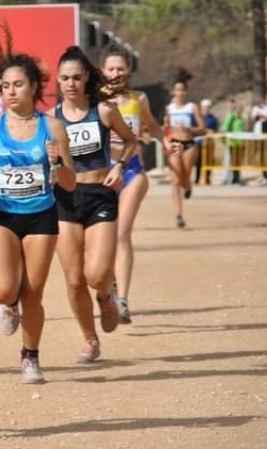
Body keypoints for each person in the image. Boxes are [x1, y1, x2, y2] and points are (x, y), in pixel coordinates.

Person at [0, 31, 76, 384]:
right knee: (3, 289)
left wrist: (58, 165)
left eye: (17, 85)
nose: (10, 92)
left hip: (42, 215)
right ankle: (6, 303)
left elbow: (71, 183)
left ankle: (30, 357)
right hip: (3, 214)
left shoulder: (53, 127)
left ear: (33, 88)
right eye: (5, 86)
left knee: (34, 293)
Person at [50, 45, 136, 363]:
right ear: (57, 81)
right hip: (66, 199)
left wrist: (120, 166)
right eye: (64, 78)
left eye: (76, 77)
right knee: (73, 279)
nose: (71, 84)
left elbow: (130, 140)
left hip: (100, 193)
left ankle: (105, 296)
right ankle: (89, 339)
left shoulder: (103, 111)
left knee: (97, 274)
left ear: (86, 77)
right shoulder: (51, 119)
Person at [99, 43, 171, 324]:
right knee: (100, 241)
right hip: (101, 175)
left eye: (121, 68)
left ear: (128, 70)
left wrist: (167, 142)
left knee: (121, 234)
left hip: (131, 171)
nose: (116, 72)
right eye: (111, 68)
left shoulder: (138, 99)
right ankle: (109, 286)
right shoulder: (94, 99)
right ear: (102, 71)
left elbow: (152, 126)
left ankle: (124, 300)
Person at [164, 69, 205, 228]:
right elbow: (166, 127)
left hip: (189, 145)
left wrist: (190, 130)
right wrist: (166, 133)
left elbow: (202, 128)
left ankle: (188, 186)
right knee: (175, 178)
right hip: (175, 143)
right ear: (173, 91)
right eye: (177, 90)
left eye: (182, 90)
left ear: (186, 91)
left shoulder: (191, 107)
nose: (179, 92)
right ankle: (179, 215)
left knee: (185, 174)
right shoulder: (170, 108)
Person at [221, 99, 247, 185]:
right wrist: (224, 138)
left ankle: (236, 178)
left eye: (242, 108)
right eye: (239, 108)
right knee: (233, 162)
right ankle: (233, 180)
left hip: (240, 144)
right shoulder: (231, 116)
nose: (240, 109)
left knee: (238, 162)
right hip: (233, 143)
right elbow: (225, 128)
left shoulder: (241, 118)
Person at [194, 98, 219, 186]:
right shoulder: (198, 118)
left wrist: (212, 132)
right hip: (199, 142)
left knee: (209, 161)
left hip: (209, 142)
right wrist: (204, 131)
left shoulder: (213, 119)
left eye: (207, 107)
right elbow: (195, 129)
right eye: (204, 107)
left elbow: (216, 130)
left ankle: (207, 179)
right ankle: (197, 179)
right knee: (198, 161)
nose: (206, 109)